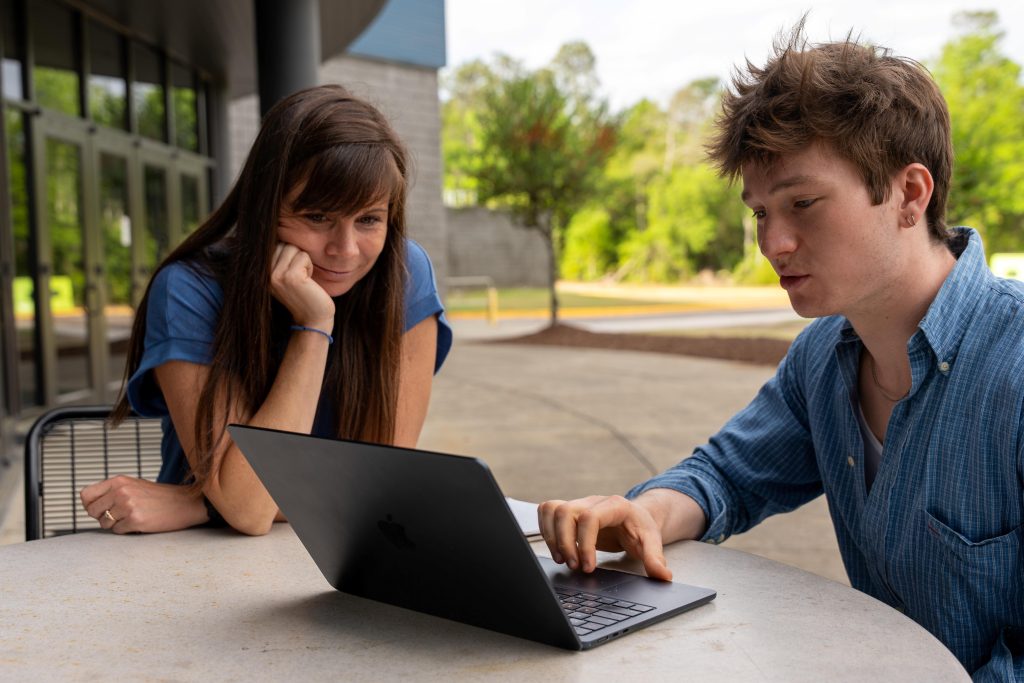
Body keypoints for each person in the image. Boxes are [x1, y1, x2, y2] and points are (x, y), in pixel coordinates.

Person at [539, 25, 1023, 680]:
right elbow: (728, 475)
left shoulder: (1014, 365)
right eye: (761, 212)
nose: (774, 243)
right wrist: (643, 513)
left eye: (802, 203)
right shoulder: (823, 358)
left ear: (911, 194)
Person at [79, 85, 452, 537]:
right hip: (199, 559)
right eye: (317, 217)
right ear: (265, 206)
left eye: (369, 219)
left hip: (344, 551)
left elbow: (377, 489)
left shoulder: (404, 272)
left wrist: (200, 502)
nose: (345, 249)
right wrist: (314, 326)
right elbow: (249, 509)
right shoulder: (188, 290)